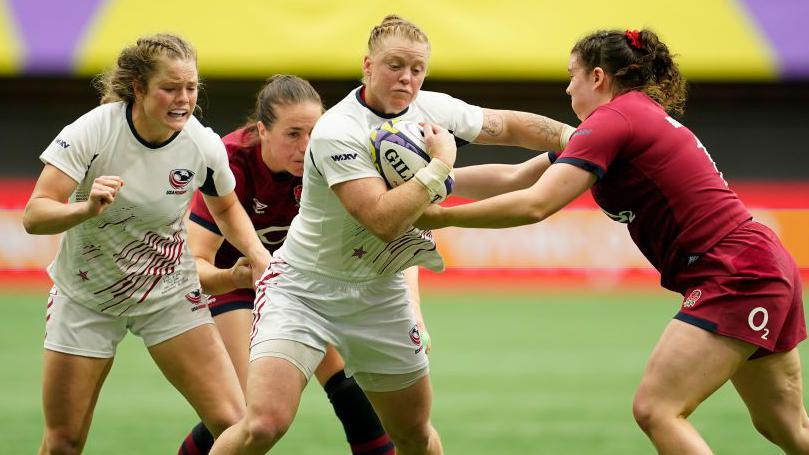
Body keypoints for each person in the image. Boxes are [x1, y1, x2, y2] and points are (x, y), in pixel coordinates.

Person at [418, 29, 809, 454]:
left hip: (736, 273)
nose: (568, 87)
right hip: (759, 263)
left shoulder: (613, 121)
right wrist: (435, 184)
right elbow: (515, 177)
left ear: (599, 77)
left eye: (573, 76)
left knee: (657, 409)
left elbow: (535, 204)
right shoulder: (625, 120)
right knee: (786, 428)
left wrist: (436, 216)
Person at [211, 14, 574, 455]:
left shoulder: (431, 109)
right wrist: (440, 166)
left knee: (414, 436)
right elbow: (381, 220)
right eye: (394, 65)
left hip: (379, 293)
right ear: (368, 66)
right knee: (263, 424)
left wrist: (579, 139)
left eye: (417, 68)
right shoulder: (336, 130)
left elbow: (510, 126)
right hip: (302, 288)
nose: (407, 78)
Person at [22, 33, 271, 454]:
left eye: (191, 88)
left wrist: (260, 258)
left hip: (168, 292)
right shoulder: (93, 131)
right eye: (170, 88)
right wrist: (84, 209)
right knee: (63, 442)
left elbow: (227, 209)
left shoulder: (200, 144)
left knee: (237, 426)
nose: (184, 99)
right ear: (138, 89)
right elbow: (35, 214)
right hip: (86, 296)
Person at [178, 75, 402, 455]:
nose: (306, 146)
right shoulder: (230, 161)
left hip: (304, 286)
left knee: (355, 394)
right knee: (249, 415)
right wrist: (234, 275)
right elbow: (194, 267)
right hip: (237, 284)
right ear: (262, 130)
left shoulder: (335, 154)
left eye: (314, 132)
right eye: (293, 134)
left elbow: (383, 232)